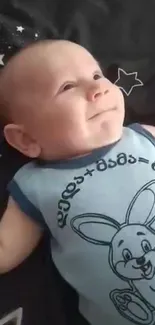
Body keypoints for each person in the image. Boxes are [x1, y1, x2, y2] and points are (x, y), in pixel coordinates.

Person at [0, 39, 155, 325]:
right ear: (26, 139)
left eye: (97, 75)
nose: (98, 88)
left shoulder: (146, 136)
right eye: (67, 87)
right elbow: (5, 250)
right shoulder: (35, 185)